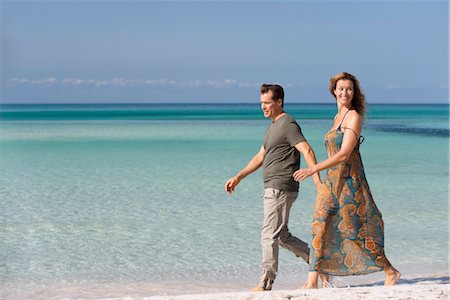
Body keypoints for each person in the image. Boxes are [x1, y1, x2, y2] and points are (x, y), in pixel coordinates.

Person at [293, 72, 401, 288]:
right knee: (320, 225)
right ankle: (312, 279)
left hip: (350, 183)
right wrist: (320, 179)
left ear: (354, 92)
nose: (345, 92)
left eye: (349, 89)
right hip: (331, 183)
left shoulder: (354, 117)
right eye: (341, 88)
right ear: (334, 91)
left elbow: (343, 154)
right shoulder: (336, 119)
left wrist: (312, 169)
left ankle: (390, 270)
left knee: (354, 230)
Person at [225, 84, 325, 291]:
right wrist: (239, 177)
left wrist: (316, 180)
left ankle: (265, 282)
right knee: (281, 236)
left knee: (268, 234)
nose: (263, 107)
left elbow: (307, 150)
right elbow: (260, 156)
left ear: (279, 102)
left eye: (267, 103)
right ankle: (319, 262)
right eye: (261, 103)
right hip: (274, 186)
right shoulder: (272, 126)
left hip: (280, 186)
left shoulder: (288, 124)